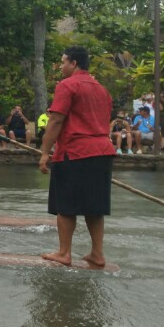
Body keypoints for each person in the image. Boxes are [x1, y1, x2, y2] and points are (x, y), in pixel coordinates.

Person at [39, 46, 114, 269]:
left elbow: (56, 120)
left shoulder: (68, 85)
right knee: (95, 207)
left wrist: (45, 152)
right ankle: (97, 254)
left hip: (75, 151)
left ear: (73, 63)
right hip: (102, 152)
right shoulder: (101, 89)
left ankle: (64, 253)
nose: (61, 66)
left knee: (65, 205)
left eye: (63, 62)